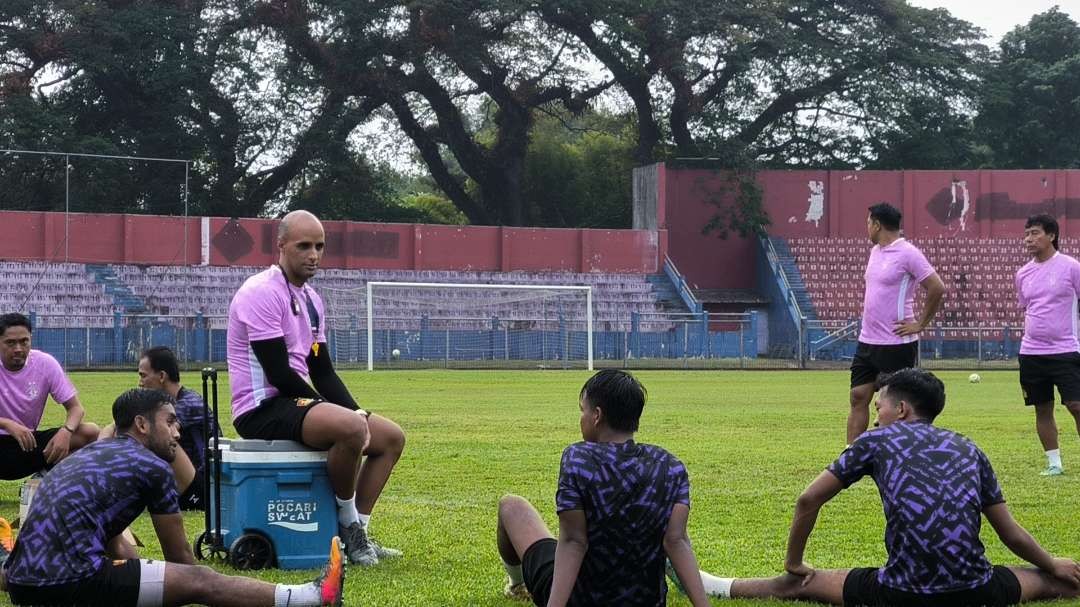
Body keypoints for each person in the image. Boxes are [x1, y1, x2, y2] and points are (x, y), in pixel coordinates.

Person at [684, 368, 1080, 606]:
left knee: (804, 582)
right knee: (1052, 576)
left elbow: (808, 499)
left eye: (879, 410)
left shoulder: (874, 441)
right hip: (976, 589)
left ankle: (724, 587)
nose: (876, 420)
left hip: (901, 592)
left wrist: (793, 561)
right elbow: (1009, 531)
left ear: (902, 409)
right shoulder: (969, 446)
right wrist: (1052, 564)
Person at [0, 388, 345, 607]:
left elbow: (114, 541)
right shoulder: (151, 466)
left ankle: (5, 553)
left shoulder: (89, 456)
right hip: (68, 583)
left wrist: (134, 572)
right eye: (171, 422)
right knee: (202, 580)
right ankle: (311, 597)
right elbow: (180, 559)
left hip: (21, 583)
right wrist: (198, 588)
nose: (178, 432)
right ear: (142, 425)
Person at [227, 210, 406, 566]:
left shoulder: (311, 300)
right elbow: (279, 375)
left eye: (319, 247)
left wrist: (355, 411)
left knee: (390, 438)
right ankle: (348, 525)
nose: (313, 255)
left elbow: (321, 370)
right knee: (351, 427)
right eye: (304, 246)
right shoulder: (261, 292)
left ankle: (359, 533)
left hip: (298, 401)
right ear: (280, 246)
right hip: (261, 408)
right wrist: (345, 418)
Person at [495, 369, 710, 607]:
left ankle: (517, 585)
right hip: (644, 601)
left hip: (581, 598)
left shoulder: (578, 459)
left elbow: (574, 542)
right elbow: (676, 541)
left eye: (582, 410)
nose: (581, 418)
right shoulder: (671, 466)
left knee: (511, 506)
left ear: (596, 415)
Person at [846, 203, 945, 444]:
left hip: (896, 342)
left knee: (897, 404)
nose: (867, 228)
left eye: (868, 223)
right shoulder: (875, 252)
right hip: (867, 340)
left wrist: (920, 323)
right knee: (858, 397)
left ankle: (900, 451)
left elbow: (937, 287)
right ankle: (850, 455)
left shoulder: (908, 253)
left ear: (877, 224)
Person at [100, 346, 219, 509]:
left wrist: (101, 453)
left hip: (204, 488)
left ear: (162, 376)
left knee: (154, 437)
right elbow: (118, 427)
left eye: (143, 376)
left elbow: (135, 432)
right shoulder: (161, 406)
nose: (140, 383)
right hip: (185, 480)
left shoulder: (189, 403)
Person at [1015, 213, 1080, 476]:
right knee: (1042, 408)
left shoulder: (1071, 267)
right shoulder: (1022, 273)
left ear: (1051, 235)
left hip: (1066, 350)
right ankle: (1054, 464)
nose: (1029, 239)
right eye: (1027, 233)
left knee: (1076, 405)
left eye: (1035, 233)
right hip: (1031, 353)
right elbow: (1027, 307)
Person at [0, 312, 99, 480]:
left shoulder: (44, 363)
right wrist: (7, 423)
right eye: (10, 343)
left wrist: (66, 432)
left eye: (24, 341)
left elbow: (76, 408)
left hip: (28, 444)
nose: (18, 348)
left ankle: (45, 475)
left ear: (31, 339)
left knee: (90, 431)